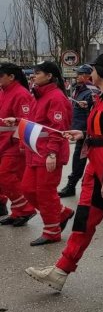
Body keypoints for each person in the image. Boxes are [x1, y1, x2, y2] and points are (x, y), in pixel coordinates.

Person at [25, 54, 103, 292]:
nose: (87, 73)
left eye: (92, 69)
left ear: (101, 72)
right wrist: (83, 135)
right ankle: (61, 270)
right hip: (96, 169)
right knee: (83, 222)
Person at [8, 62, 73, 245]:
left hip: (47, 154)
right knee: (28, 189)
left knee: (45, 192)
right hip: (34, 151)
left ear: (49, 76)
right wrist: (18, 121)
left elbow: (57, 129)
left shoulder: (56, 98)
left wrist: (52, 153)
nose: (33, 76)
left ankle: (52, 231)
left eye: (37, 73)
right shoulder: (38, 95)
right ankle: (61, 213)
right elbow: (35, 122)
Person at [0, 63, 35, 225]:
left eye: (1, 75)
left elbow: (26, 122)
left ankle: (25, 208)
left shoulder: (21, 94)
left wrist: (23, 145)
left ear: (11, 77)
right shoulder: (4, 92)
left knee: (5, 176)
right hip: (4, 143)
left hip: (14, 145)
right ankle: (18, 211)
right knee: (12, 179)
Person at [58, 64, 97, 198]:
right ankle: (72, 185)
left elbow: (95, 110)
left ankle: (73, 186)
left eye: (81, 74)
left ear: (88, 76)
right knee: (78, 160)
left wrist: (89, 105)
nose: (77, 76)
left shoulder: (92, 91)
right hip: (79, 130)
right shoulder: (78, 89)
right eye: (78, 74)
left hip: (86, 131)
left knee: (84, 160)